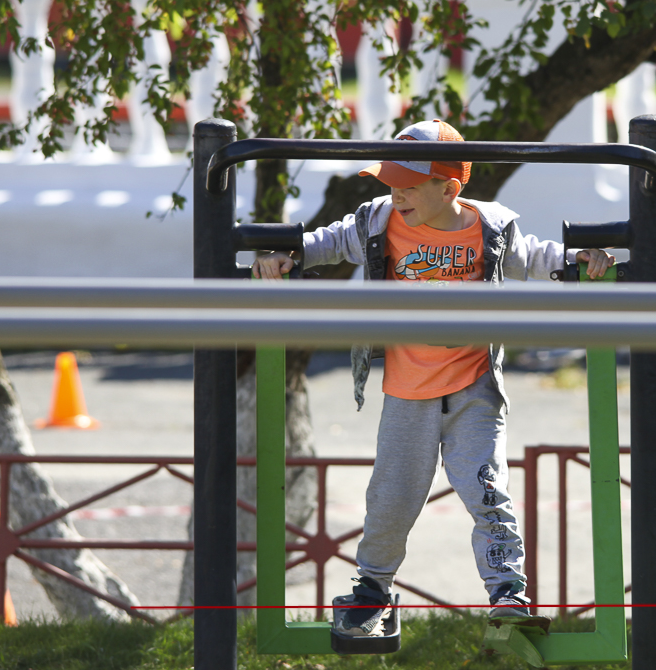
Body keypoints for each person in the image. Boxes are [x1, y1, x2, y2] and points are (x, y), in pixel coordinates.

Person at [253, 119, 614, 637]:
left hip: (473, 390)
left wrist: (578, 260)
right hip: (408, 393)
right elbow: (326, 242)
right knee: (391, 498)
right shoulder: (377, 222)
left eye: (409, 185)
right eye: (391, 182)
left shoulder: (488, 228)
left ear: (449, 188)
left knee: (486, 489)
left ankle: (508, 592)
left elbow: (534, 256)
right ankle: (373, 589)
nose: (396, 193)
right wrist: (287, 254)